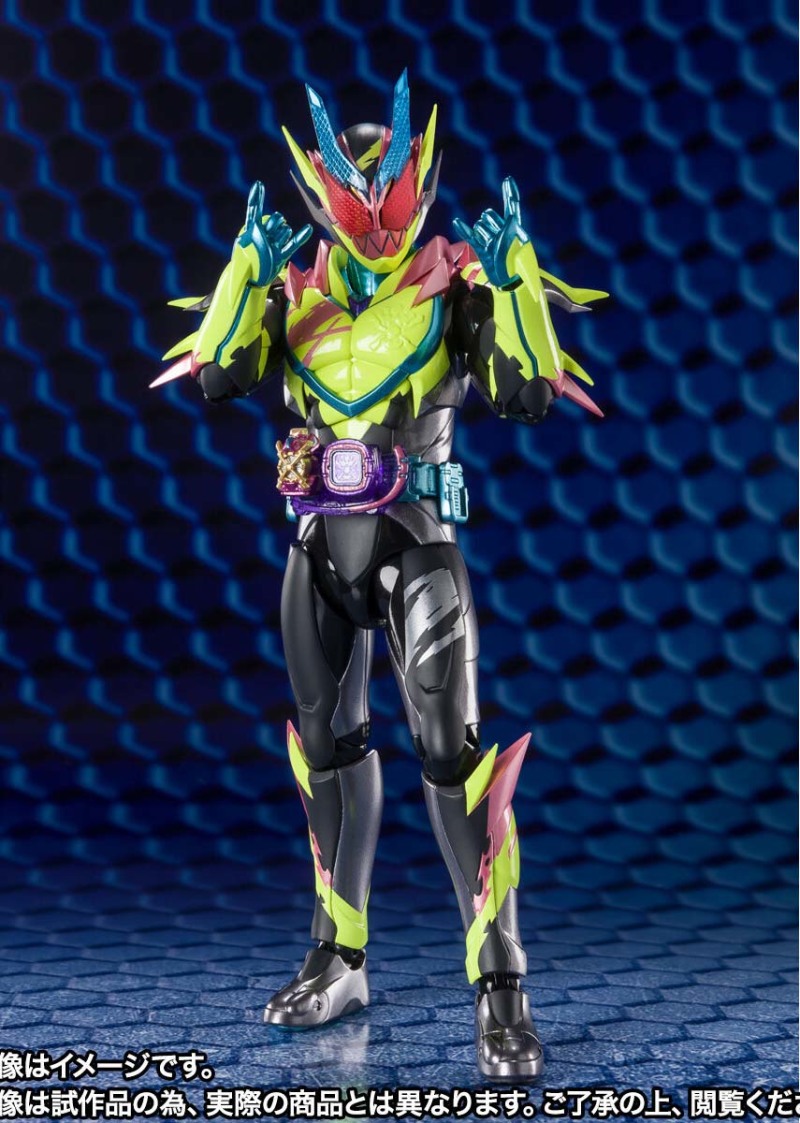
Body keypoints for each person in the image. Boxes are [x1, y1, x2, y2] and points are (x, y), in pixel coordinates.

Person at [152, 72, 605, 1082]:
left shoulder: (459, 289)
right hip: (318, 545)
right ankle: (339, 958)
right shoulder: (290, 296)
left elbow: (525, 395)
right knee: (327, 752)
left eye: (390, 206)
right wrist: (242, 270)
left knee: (453, 758)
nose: (372, 228)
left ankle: (500, 987)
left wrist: (515, 280)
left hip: (417, 545)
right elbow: (221, 376)